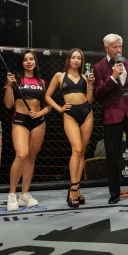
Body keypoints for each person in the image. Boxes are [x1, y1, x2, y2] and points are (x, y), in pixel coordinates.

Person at [93, 33, 128, 204]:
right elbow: (98, 94)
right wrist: (112, 77)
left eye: (120, 47)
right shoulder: (99, 67)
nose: (118, 50)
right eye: (115, 47)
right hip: (112, 115)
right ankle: (114, 194)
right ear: (106, 48)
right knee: (112, 156)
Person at [45, 48, 95, 207]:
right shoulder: (59, 76)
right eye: (73, 57)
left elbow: (90, 100)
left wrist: (91, 84)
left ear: (82, 61)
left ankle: (77, 189)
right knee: (77, 149)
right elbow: (47, 96)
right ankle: (73, 188)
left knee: (82, 152)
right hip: (70, 114)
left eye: (79, 58)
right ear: (68, 59)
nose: (76, 60)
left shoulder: (85, 77)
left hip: (86, 113)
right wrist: (59, 108)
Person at [4, 50, 51, 211]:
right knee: (21, 154)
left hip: (38, 121)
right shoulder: (15, 80)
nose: (29, 62)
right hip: (20, 119)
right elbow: (8, 104)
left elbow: (49, 106)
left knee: (31, 157)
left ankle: (24, 195)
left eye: (31, 59)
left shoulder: (42, 82)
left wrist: (40, 113)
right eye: (25, 59)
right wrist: (9, 85)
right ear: (22, 63)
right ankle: (12, 194)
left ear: (35, 62)